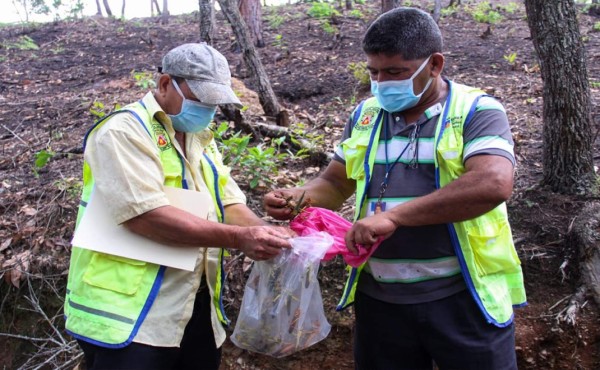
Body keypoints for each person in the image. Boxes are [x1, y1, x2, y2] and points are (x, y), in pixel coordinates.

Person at [264, 7, 526, 370]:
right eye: (374, 71)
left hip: (462, 297)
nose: (382, 82)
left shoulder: (476, 111)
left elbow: (493, 182)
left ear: (434, 64)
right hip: (382, 301)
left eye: (395, 72)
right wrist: (297, 197)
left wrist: (396, 218)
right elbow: (335, 183)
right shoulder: (365, 115)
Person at [65, 43, 291, 370]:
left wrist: (266, 232)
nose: (209, 110)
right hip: (125, 316)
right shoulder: (123, 131)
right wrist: (239, 238)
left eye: (215, 102)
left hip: (188, 305)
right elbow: (145, 216)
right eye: (201, 100)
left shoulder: (198, 137)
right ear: (165, 84)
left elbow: (226, 202)